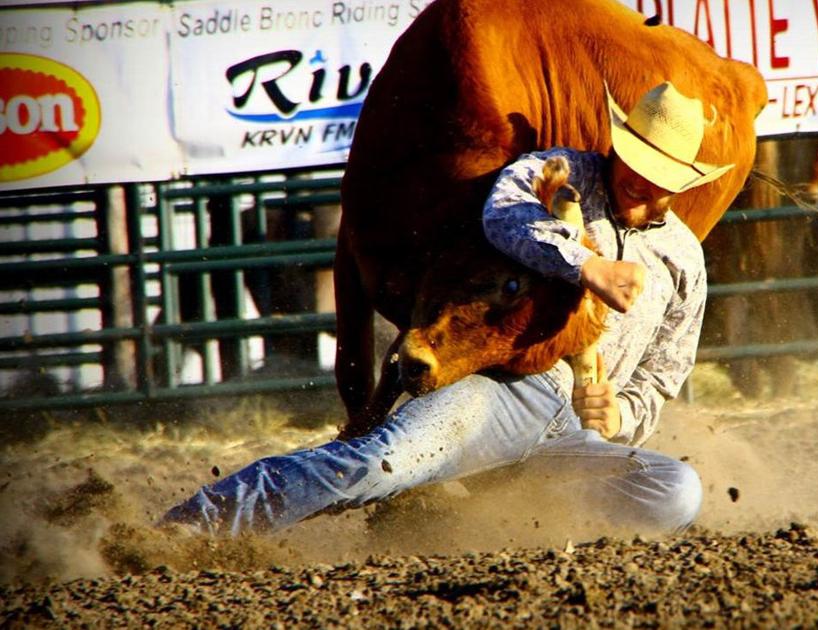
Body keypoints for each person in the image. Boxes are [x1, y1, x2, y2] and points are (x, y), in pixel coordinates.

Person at [160, 81, 734, 537]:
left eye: (658, 176)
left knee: (675, 490)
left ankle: (487, 515)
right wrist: (585, 266)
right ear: (617, 146)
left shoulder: (682, 257)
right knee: (378, 461)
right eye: (635, 161)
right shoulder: (560, 173)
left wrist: (620, 415)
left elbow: (663, 373)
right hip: (508, 388)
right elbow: (502, 215)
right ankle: (196, 526)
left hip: (577, 435)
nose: (641, 181)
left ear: (681, 183)